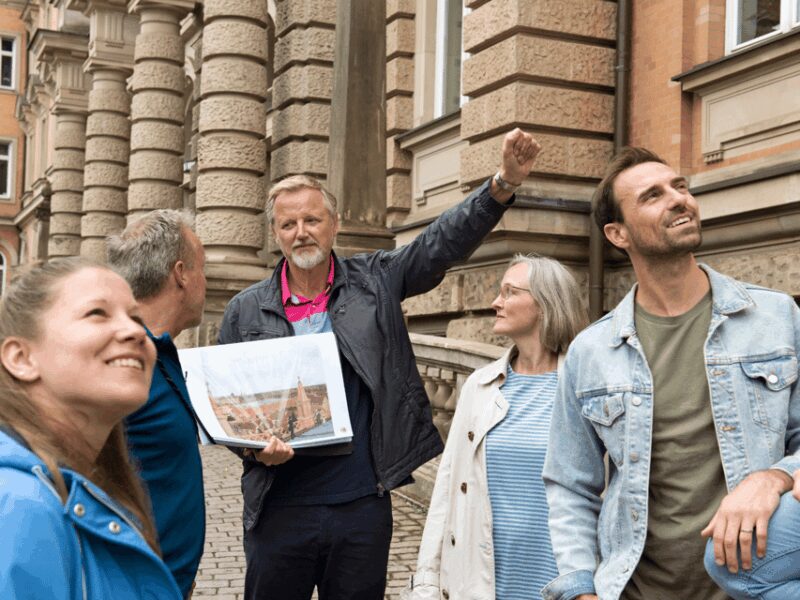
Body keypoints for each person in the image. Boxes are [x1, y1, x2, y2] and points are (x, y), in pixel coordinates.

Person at [218, 128, 542, 600]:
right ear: (275, 234)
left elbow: (439, 243)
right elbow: (229, 404)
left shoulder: (375, 281)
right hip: (279, 504)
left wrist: (500, 187)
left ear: (334, 224)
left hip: (360, 504)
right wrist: (250, 450)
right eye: (288, 224)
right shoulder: (244, 310)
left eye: (312, 219)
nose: (301, 232)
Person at [541, 147, 800, 600]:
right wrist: (582, 590)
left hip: (755, 585)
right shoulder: (592, 350)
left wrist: (773, 477)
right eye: (653, 195)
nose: (679, 198)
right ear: (617, 233)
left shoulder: (776, 318)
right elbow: (570, 484)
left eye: (680, 186)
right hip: (637, 589)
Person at [407, 254, 588, 599]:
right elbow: (448, 488)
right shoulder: (481, 386)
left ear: (546, 304)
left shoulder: (581, 384)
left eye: (509, 292)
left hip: (563, 581)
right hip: (482, 582)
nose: (495, 302)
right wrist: (427, 581)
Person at [0, 258, 182, 599]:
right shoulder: (18, 507)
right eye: (97, 313)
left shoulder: (86, 488)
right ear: (21, 358)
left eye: (136, 318)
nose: (136, 332)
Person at [107, 210, 207, 598]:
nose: (205, 280)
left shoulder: (157, 352)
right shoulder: (122, 358)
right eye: (202, 267)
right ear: (181, 273)